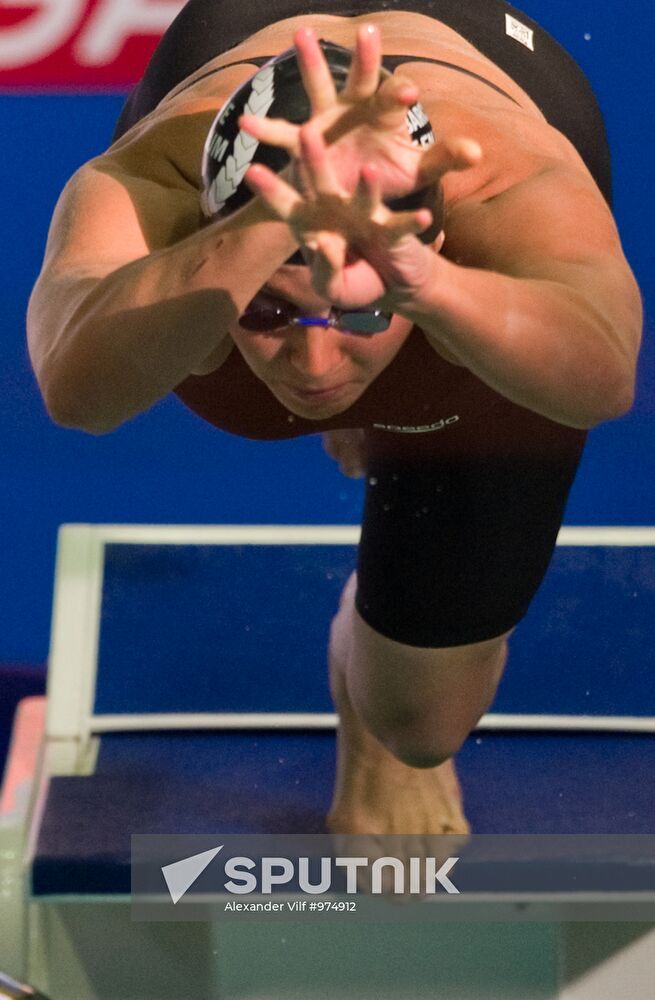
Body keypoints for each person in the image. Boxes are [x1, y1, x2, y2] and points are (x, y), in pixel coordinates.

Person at [27, 1, 642, 838]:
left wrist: (426, 286)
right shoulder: (154, 192)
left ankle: (378, 730)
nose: (313, 369)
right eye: (268, 313)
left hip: (473, 108)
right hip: (240, 73)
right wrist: (272, 223)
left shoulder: (506, 189)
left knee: (420, 725)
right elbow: (77, 393)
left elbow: (602, 381)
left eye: (361, 316)